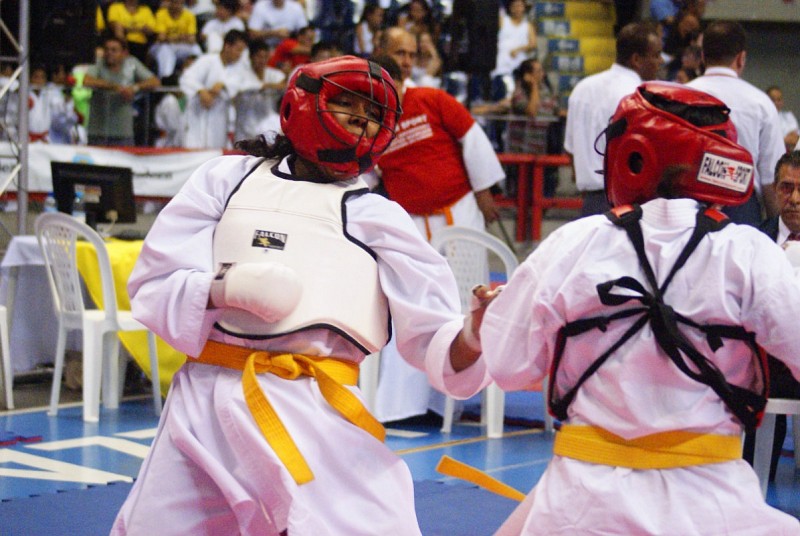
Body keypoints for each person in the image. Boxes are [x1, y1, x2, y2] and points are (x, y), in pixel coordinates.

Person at [110, 54, 488, 535]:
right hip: (202, 402)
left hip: (314, 409)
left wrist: (474, 335)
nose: (363, 120)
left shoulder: (379, 217)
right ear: (302, 105)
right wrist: (222, 289)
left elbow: (434, 337)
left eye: (374, 114)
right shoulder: (225, 181)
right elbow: (152, 285)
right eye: (350, 105)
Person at [449, 81, 800, 535]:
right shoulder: (749, 253)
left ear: (634, 154)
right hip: (712, 506)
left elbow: (509, 367)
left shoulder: (573, 244)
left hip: (578, 509)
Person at [369, 54, 504, 423]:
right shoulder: (373, 119)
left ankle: (453, 400)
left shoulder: (432, 99)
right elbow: (367, 172)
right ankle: (405, 405)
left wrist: (484, 192)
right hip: (410, 221)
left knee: (465, 300)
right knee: (412, 305)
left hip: (458, 211)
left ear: (401, 79)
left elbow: (473, 141)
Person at [688, 21, 784, 226]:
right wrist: (776, 229)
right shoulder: (761, 104)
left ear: (703, 56)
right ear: (741, 58)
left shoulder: (679, 97)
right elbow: (771, 178)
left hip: (687, 208)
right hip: (741, 209)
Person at [741, 150, 800, 483]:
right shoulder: (751, 242)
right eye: (786, 188)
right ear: (775, 189)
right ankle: (752, 479)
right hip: (765, 364)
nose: (795, 199)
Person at [564, 21, 663, 217]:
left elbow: (570, 150)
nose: (661, 61)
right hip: (627, 203)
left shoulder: (582, 88)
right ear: (636, 59)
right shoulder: (640, 96)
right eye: (656, 55)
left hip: (590, 202)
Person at [82, 34, 161, 146]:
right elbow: (87, 81)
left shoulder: (131, 64)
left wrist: (134, 88)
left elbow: (155, 81)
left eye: (114, 50)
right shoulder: (98, 63)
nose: (109, 53)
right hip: (98, 132)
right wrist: (115, 87)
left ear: (124, 53)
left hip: (123, 133)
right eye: (107, 49)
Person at [179, 29, 248, 148]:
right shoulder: (207, 60)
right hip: (197, 116)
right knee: (194, 148)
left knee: (217, 150)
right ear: (227, 46)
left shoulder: (239, 68)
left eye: (241, 51)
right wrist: (201, 91)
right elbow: (186, 78)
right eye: (238, 50)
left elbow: (238, 85)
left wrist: (222, 84)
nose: (239, 54)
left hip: (219, 119)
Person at [232, 40, 286, 141]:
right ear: (251, 57)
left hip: (267, 127)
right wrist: (262, 86)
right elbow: (238, 88)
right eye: (259, 57)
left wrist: (268, 85)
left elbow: (283, 85)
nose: (262, 60)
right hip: (244, 128)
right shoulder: (240, 75)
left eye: (265, 57)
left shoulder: (273, 74)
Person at [149, 0, 204, 79]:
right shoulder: (161, 14)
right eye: (175, 3)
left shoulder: (189, 15)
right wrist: (180, 37)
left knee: (196, 49)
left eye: (180, 3)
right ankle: (166, 78)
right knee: (165, 51)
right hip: (162, 46)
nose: (177, 6)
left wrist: (172, 37)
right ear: (169, 3)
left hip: (181, 46)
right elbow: (161, 38)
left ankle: (198, 77)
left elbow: (192, 39)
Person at [767, 85, 800, 154]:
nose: (776, 103)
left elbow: (795, 138)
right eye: (773, 100)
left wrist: (784, 140)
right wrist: (785, 140)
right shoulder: (764, 119)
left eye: (779, 100)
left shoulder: (788, 116)